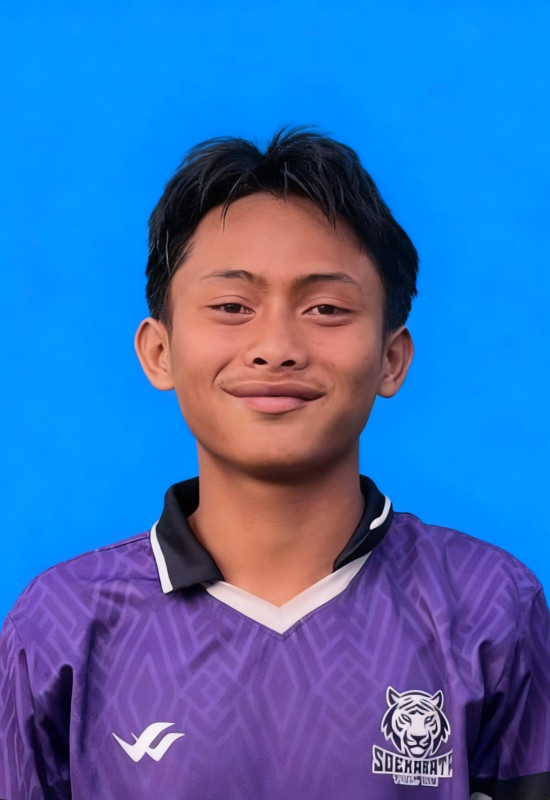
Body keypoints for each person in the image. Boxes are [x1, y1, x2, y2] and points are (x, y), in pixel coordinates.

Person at [1, 128, 549, 800]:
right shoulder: (62, 623)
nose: (276, 346)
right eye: (232, 307)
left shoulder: (488, 603)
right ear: (159, 352)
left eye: (326, 308)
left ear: (391, 358)